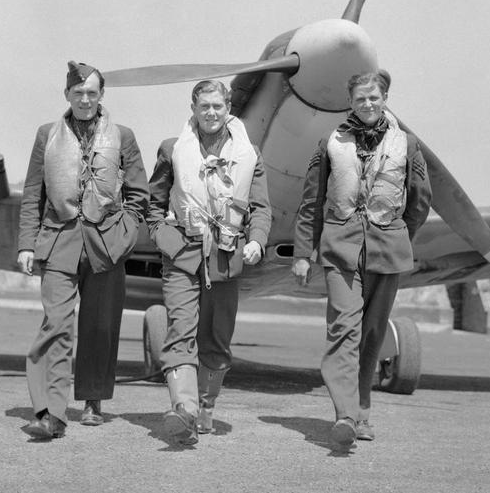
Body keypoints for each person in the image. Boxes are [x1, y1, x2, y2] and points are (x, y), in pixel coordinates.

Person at [291, 70, 432, 448]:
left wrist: (399, 236)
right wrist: (304, 253)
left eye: (374, 97)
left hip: (388, 251)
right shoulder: (330, 142)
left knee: (371, 334)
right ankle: (345, 416)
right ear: (349, 102)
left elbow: (419, 202)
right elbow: (311, 203)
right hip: (340, 250)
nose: (367, 104)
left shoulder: (409, 145)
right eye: (359, 99)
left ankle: (362, 413)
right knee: (343, 329)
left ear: (385, 97)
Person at [17, 61, 149, 440]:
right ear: (67, 95)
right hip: (58, 240)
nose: (85, 99)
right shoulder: (47, 134)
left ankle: (92, 399)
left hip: (107, 244)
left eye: (92, 92)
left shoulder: (123, 135)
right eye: (78, 93)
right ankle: (50, 411)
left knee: (100, 325)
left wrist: (124, 235)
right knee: (56, 324)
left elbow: (139, 196)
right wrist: (27, 243)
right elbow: (32, 194)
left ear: (101, 95)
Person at [147, 80, 271, 445]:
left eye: (218, 106)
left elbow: (261, 209)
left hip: (227, 257)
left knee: (216, 339)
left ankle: (205, 407)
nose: (211, 113)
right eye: (205, 107)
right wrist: (166, 241)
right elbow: (153, 208)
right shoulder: (171, 149)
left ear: (228, 106)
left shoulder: (252, 154)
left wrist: (257, 242)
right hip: (182, 255)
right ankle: (182, 409)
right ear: (193, 108)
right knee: (180, 330)